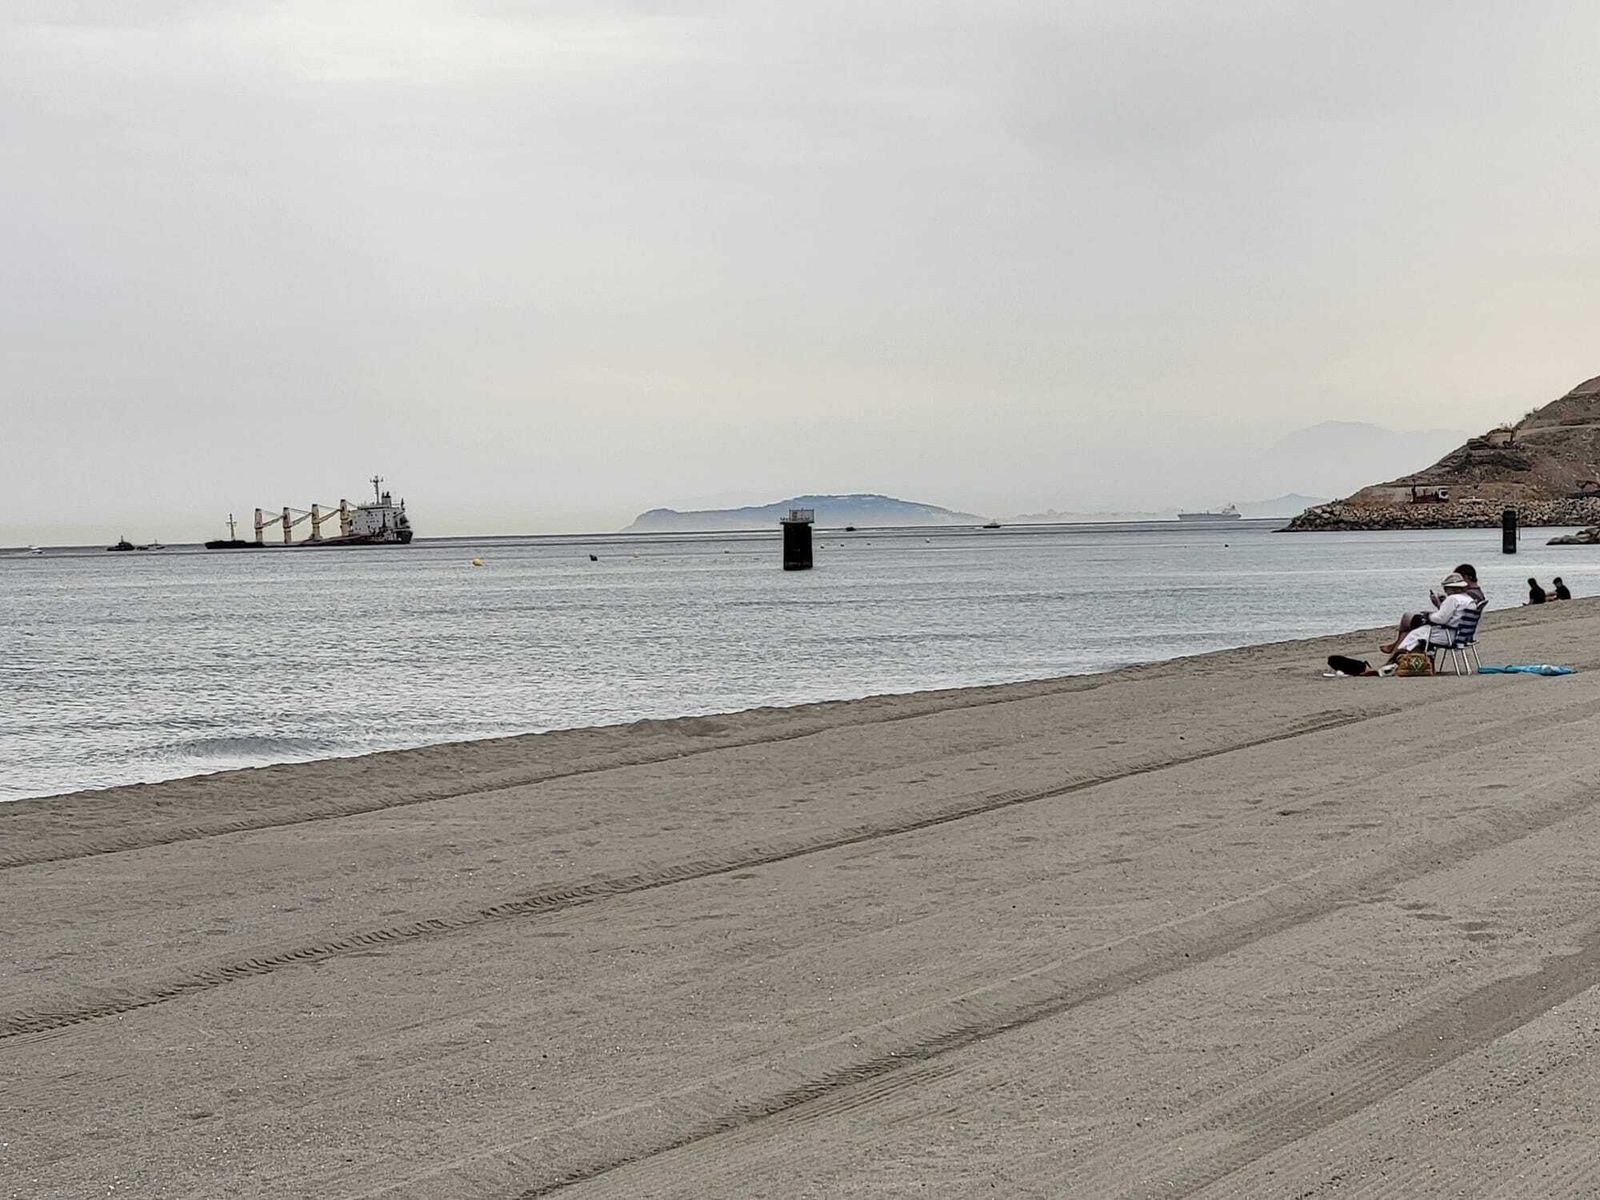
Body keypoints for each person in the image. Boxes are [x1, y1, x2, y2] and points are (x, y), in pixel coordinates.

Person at [1381, 564, 1487, 654]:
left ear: (1467, 578)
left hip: (1451, 633)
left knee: (1408, 620)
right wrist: (1443, 604)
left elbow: (1447, 617)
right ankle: (1399, 651)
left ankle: (1397, 655)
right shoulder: (1473, 595)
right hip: (1462, 633)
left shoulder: (1466, 596)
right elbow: (1458, 614)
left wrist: (1436, 608)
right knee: (1413, 626)